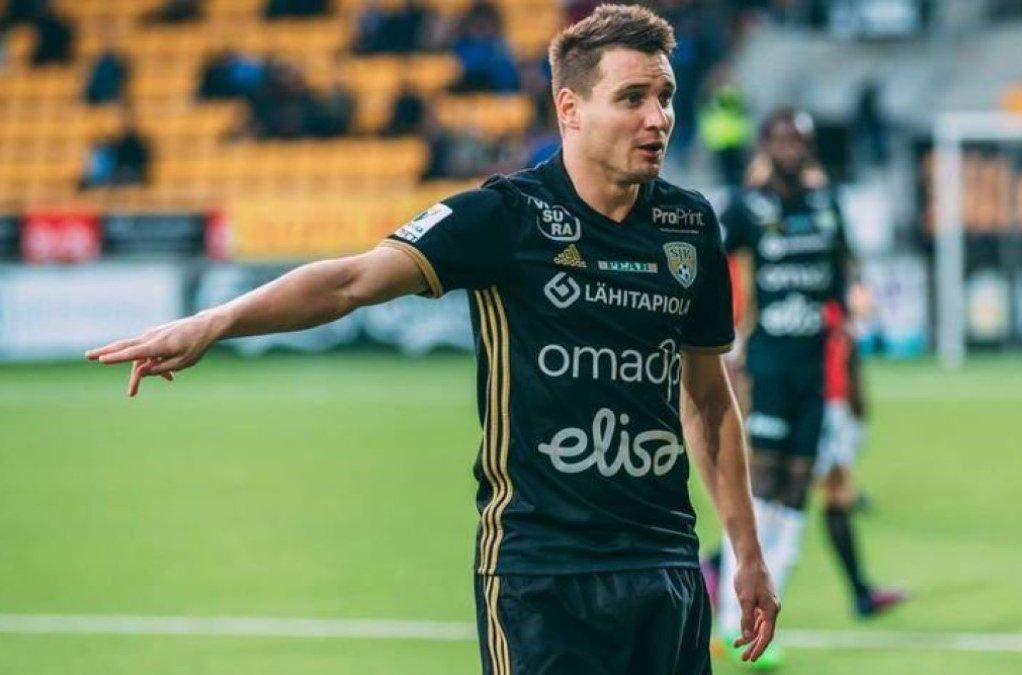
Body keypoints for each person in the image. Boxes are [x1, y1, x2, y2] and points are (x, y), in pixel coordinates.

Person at [85, 5, 779, 673]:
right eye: (632, 98)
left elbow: (708, 399)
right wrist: (215, 322)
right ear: (570, 109)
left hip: (665, 566)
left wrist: (746, 552)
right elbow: (350, 281)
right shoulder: (506, 215)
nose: (658, 118)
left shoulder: (690, 226)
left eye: (665, 96)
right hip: (542, 572)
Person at [709, 108, 904, 668]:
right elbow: (712, 267)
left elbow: (844, 276)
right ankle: (728, 621)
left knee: (797, 495)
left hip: (815, 370)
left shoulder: (826, 206)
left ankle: (764, 624)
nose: (790, 148)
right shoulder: (747, 207)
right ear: (765, 146)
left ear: (811, 147)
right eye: (780, 139)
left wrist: (855, 310)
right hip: (767, 365)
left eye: (799, 139)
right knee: (761, 489)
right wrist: (724, 351)